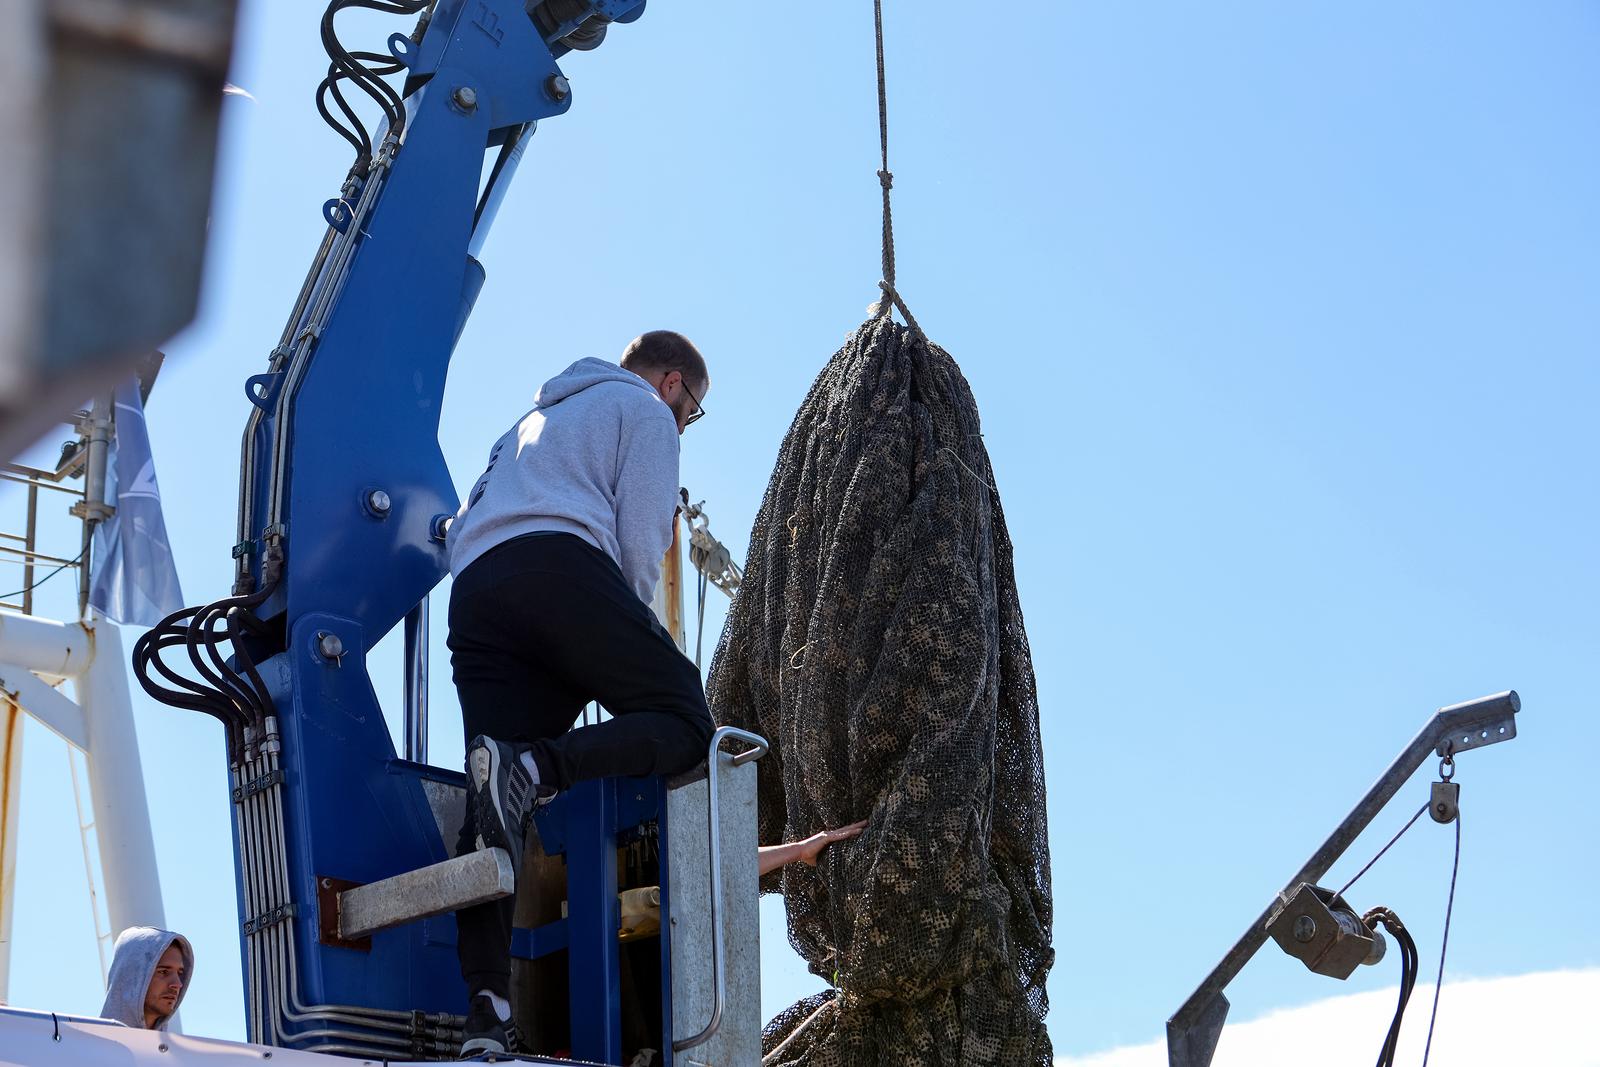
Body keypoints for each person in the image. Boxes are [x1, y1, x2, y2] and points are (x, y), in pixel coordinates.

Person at [446, 331, 715, 1056]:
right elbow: (637, 547)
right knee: (688, 719)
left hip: (475, 592)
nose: (684, 422)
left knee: (490, 802)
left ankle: (486, 1012)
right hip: (560, 566)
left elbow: (467, 529)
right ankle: (542, 768)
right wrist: (631, 652)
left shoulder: (525, 427)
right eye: (692, 410)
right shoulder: (646, 414)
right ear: (670, 383)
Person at [99, 926, 193, 1031]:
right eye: (163, 972)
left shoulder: (177, 1047)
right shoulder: (87, 1045)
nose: (178, 984)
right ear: (131, 976)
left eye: (180, 973)